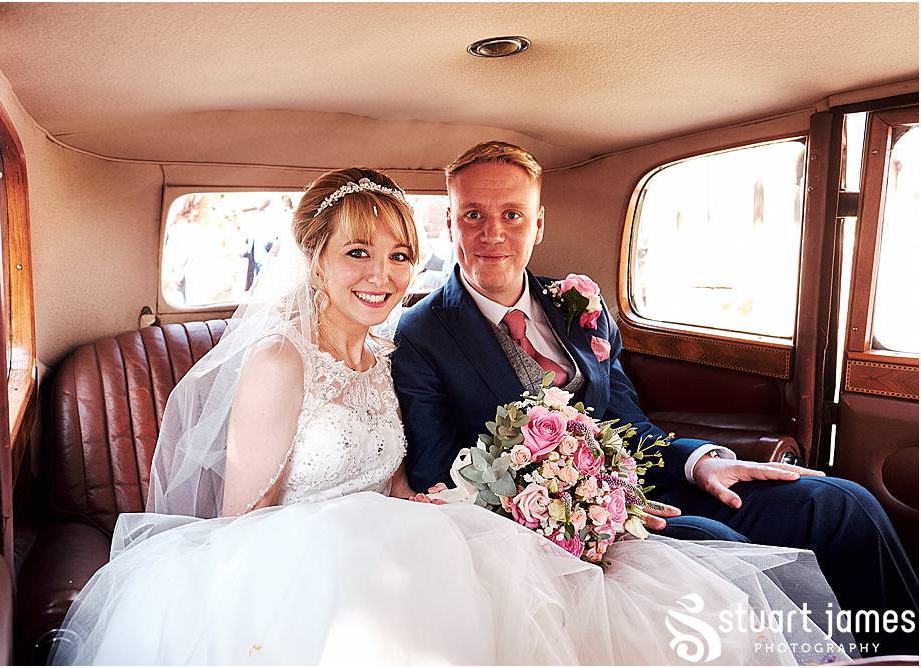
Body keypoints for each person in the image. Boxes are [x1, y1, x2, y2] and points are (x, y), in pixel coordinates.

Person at [51, 167, 850, 665]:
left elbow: (396, 471)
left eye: (398, 255)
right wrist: (358, 547)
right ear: (317, 261)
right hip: (298, 564)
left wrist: (424, 505)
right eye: (358, 254)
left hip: (403, 531)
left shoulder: (383, 355)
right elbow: (239, 523)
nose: (383, 275)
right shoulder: (279, 363)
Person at [392, 141, 919, 656]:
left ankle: (896, 654)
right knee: (712, 540)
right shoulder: (422, 332)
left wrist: (700, 462)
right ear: (450, 222)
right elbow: (438, 471)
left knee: (842, 504)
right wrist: (578, 514)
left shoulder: (577, 301)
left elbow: (626, 422)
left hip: (642, 484)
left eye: (512, 215)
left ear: (539, 224)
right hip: (546, 527)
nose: (493, 234)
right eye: (473, 215)